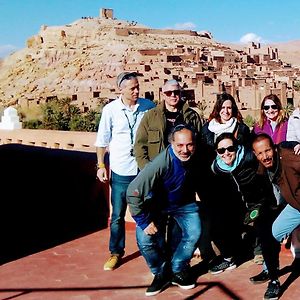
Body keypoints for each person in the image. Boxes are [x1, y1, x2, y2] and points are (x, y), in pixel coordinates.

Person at [127, 124, 201, 296]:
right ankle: (161, 272)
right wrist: (144, 221)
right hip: (158, 205)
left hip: (184, 205)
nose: (185, 150)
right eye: (180, 145)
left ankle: (177, 268)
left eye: (189, 145)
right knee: (145, 239)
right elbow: (133, 192)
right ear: (172, 144)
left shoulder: (196, 157)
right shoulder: (161, 163)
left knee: (194, 232)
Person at [95, 72, 155, 271]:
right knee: (118, 215)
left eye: (138, 87)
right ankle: (115, 252)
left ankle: (151, 248)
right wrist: (101, 166)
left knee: (147, 211)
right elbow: (101, 141)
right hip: (120, 170)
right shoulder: (110, 110)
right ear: (121, 89)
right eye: (132, 88)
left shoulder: (148, 107)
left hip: (142, 170)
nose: (137, 91)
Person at [212, 133, 282, 300]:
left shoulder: (249, 157)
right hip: (242, 207)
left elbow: (271, 150)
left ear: (237, 148)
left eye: (230, 148)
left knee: (266, 236)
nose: (226, 153)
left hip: (264, 203)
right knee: (216, 224)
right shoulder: (217, 168)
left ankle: (273, 279)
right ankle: (230, 258)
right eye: (221, 150)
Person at [252, 134, 300, 300]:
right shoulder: (262, 166)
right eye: (260, 153)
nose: (265, 156)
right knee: (271, 232)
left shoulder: (290, 158)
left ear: (274, 148)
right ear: (255, 155)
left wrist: (295, 144)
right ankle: (273, 278)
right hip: (295, 207)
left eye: (267, 150)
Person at [134, 79, 202, 170]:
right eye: (169, 93)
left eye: (176, 92)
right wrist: (147, 170)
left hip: (186, 170)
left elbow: (200, 143)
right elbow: (140, 146)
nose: (173, 95)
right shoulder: (150, 116)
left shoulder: (192, 116)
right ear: (163, 94)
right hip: (160, 170)